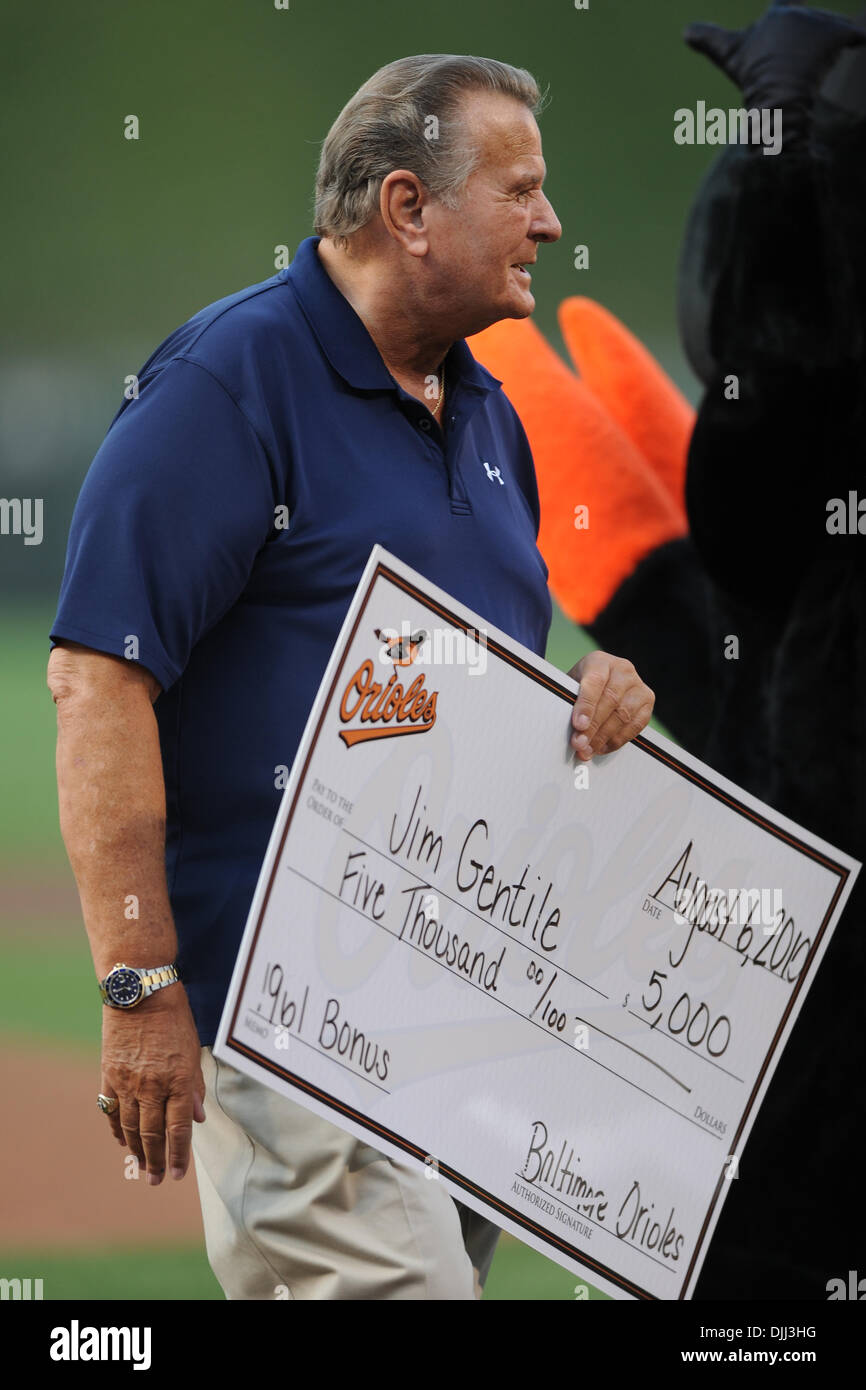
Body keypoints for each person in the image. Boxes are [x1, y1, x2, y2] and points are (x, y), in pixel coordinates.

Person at [46, 53, 655, 1300]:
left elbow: (479, 708)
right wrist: (140, 986)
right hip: (294, 1017)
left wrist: (589, 705)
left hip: (467, 1015)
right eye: (520, 188)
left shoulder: (482, 413)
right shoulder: (227, 383)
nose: (550, 221)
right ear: (406, 209)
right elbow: (97, 680)